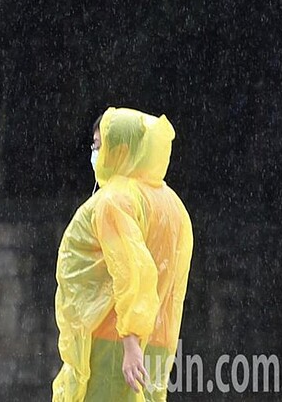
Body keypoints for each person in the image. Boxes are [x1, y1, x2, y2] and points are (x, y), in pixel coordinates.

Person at [53, 107, 193, 401]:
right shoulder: (174, 205)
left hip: (114, 345)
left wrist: (130, 342)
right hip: (158, 345)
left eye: (99, 145)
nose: (95, 153)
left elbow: (132, 270)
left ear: (122, 148)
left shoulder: (115, 200)